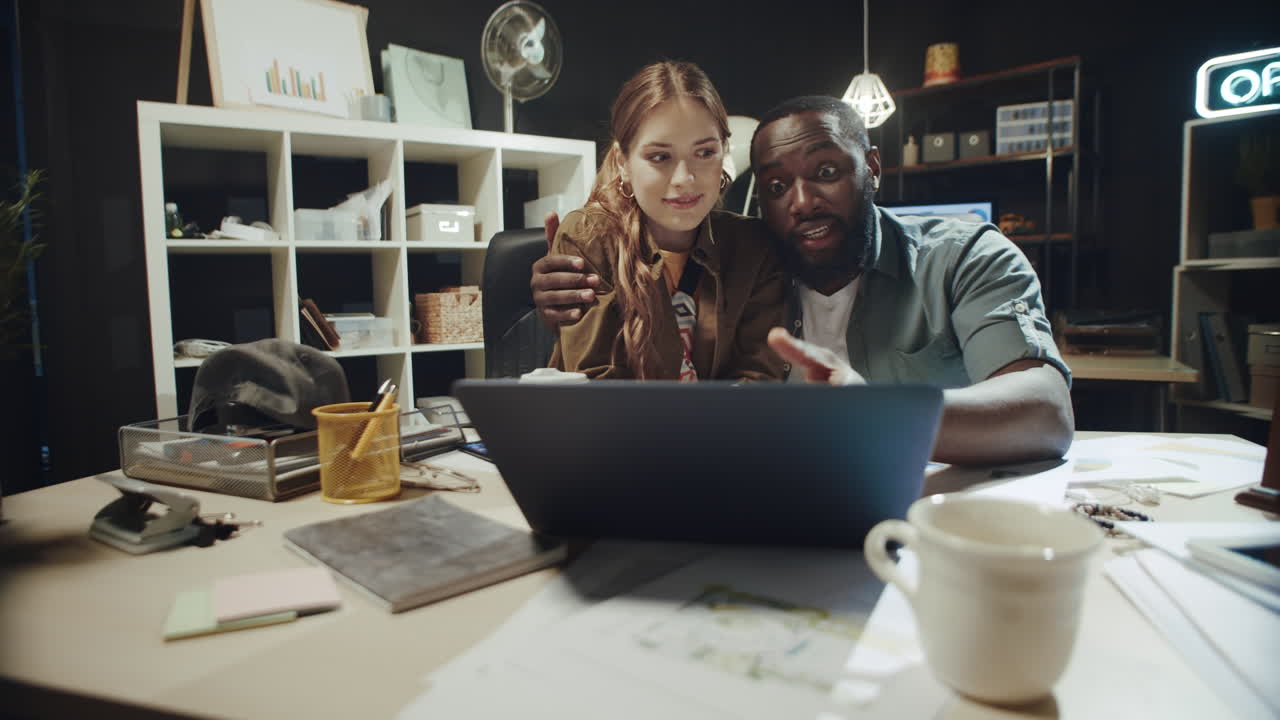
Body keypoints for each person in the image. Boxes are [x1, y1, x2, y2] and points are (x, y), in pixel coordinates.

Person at [532, 95, 1074, 465]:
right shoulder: (744, 268)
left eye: (827, 173)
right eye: (774, 186)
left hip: (927, 522)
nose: (802, 202)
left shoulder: (964, 258)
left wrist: (884, 418)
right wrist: (569, 271)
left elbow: (1046, 411)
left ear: (874, 168)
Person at [545, 61, 786, 381]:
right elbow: (596, 389)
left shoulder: (755, 247)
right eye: (660, 157)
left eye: (704, 153)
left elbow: (760, 377)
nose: (685, 179)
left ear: (724, 152)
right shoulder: (590, 238)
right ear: (623, 163)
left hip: (729, 431)